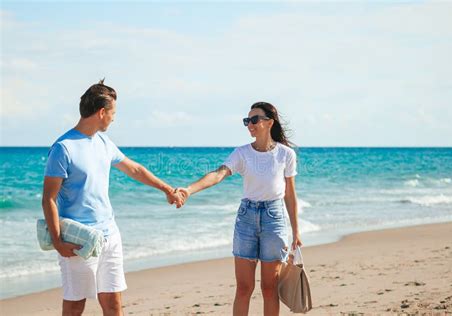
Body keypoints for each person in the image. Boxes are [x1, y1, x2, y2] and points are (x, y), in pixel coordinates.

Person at [42, 79, 185, 316]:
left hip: (109, 236)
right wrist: (57, 241)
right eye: (113, 112)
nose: (114, 118)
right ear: (101, 112)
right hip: (78, 239)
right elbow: (48, 198)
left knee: (113, 304)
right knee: (75, 305)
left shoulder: (103, 142)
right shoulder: (63, 148)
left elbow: (134, 169)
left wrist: (167, 189)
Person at [178, 101, 302, 316]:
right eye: (247, 121)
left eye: (254, 119)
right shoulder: (242, 153)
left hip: (275, 219)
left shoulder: (286, 154)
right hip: (246, 218)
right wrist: (189, 190)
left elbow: (290, 195)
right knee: (244, 288)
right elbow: (218, 174)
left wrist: (296, 231)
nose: (250, 124)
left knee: (269, 288)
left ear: (269, 122)